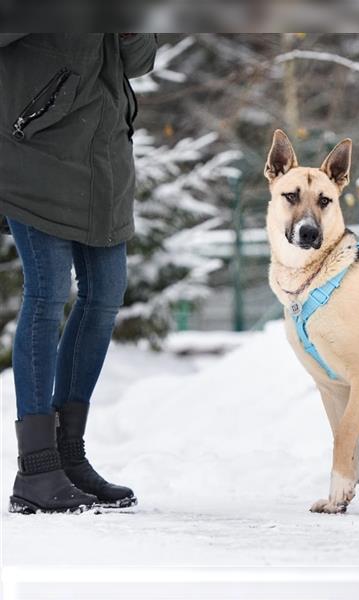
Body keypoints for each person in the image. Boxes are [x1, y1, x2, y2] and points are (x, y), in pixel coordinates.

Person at [0, 34, 158, 513]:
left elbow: (139, 61)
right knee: (47, 293)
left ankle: (68, 455)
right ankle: (36, 464)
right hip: (35, 157)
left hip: (102, 161)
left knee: (105, 294)